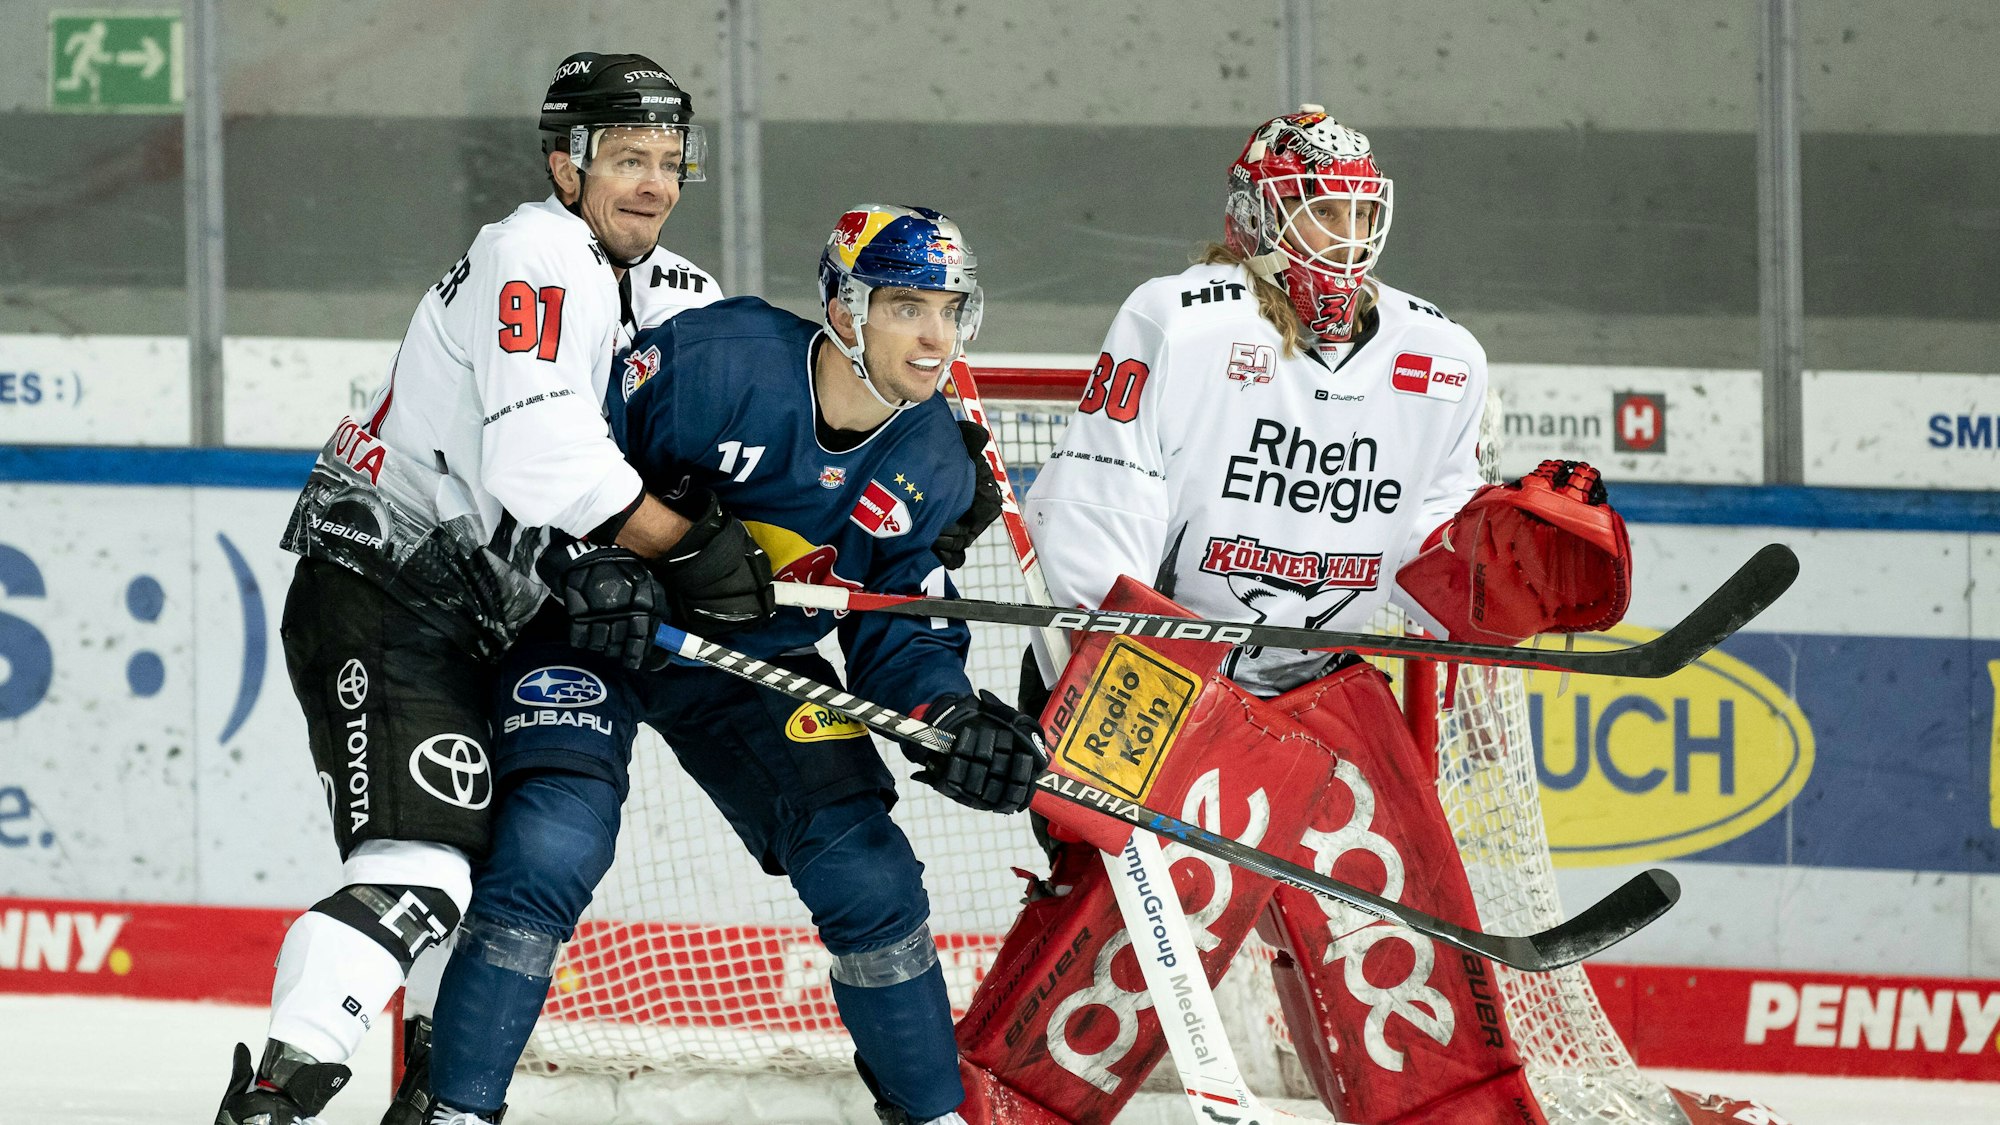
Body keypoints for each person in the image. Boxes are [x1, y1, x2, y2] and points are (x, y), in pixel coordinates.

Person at [1011, 106, 1633, 1123]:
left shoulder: (1439, 357)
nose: (1340, 239)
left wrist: (1498, 547)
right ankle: (1005, 1106)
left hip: (1316, 682)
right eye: (1316, 212)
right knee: (1107, 965)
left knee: (1403, 942)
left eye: (1354, 214)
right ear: (1254, 215)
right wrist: (1119, 681)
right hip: (1162, 672)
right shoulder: (1180, 317)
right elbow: (1101, 496)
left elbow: (1425, 552)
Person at [212, 51, 776, 1125]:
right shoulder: (533, 250)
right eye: (625, 159)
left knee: (485, 881)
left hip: (489, 614)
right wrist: (675, 543)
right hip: (384, 585)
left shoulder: (670, 291)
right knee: (422, 864)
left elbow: (724, 435)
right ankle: (278, 1098)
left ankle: (431, 1094)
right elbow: (542, 465)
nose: (652, 183)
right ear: (566, 166)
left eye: (669, 162)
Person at [408, 205, 1046, 1125]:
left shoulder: (937, 462)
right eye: (906, 305)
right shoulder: (718, 359)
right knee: (549, 847)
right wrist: (589, 569)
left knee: (870, 873)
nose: (936, 335)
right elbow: (557, 460)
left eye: (952, 309)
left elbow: (896, 629)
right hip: (598, 634)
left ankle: (932, 1116)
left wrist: (949, 716)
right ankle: (456, 1111)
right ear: (843, 306)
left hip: (748, 665)